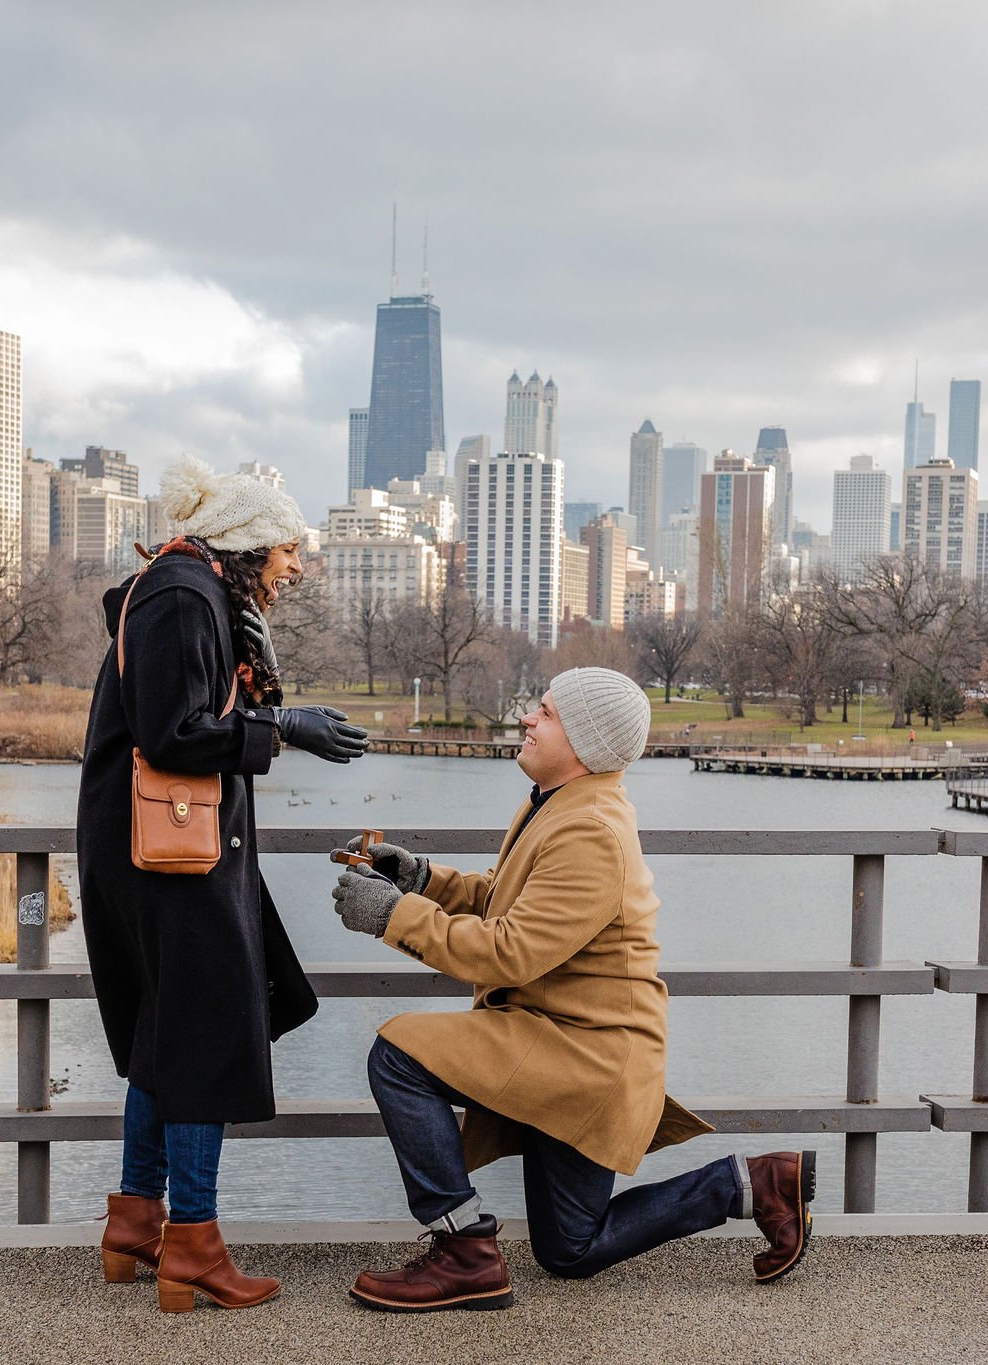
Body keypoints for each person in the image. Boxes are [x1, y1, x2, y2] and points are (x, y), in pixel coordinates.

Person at [330, 667, 814, 1312]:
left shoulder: (590, 831)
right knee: (571, 1250)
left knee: (399, 1053)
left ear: (584, 742)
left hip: (584, 1056)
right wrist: (422, 880)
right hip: (567, 1046)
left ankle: (463, 1251)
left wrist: (391, 917)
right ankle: (755, 1184)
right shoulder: (560, 803)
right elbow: (512, 905)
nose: (529, 717)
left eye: (548, 713)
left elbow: (512, 951)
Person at [76, 456, 369, 1314]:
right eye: (286, 548)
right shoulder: (180, 595)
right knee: (201, 1034)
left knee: (170, 1031)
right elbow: (173, 734)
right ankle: (194, 1247)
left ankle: (136, 1220)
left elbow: (184, 718)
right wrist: (283, 726)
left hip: (161, 851)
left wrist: (272, 720)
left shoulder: (194, 592)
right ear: (245, 543)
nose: (296, 566)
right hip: (165, 860)